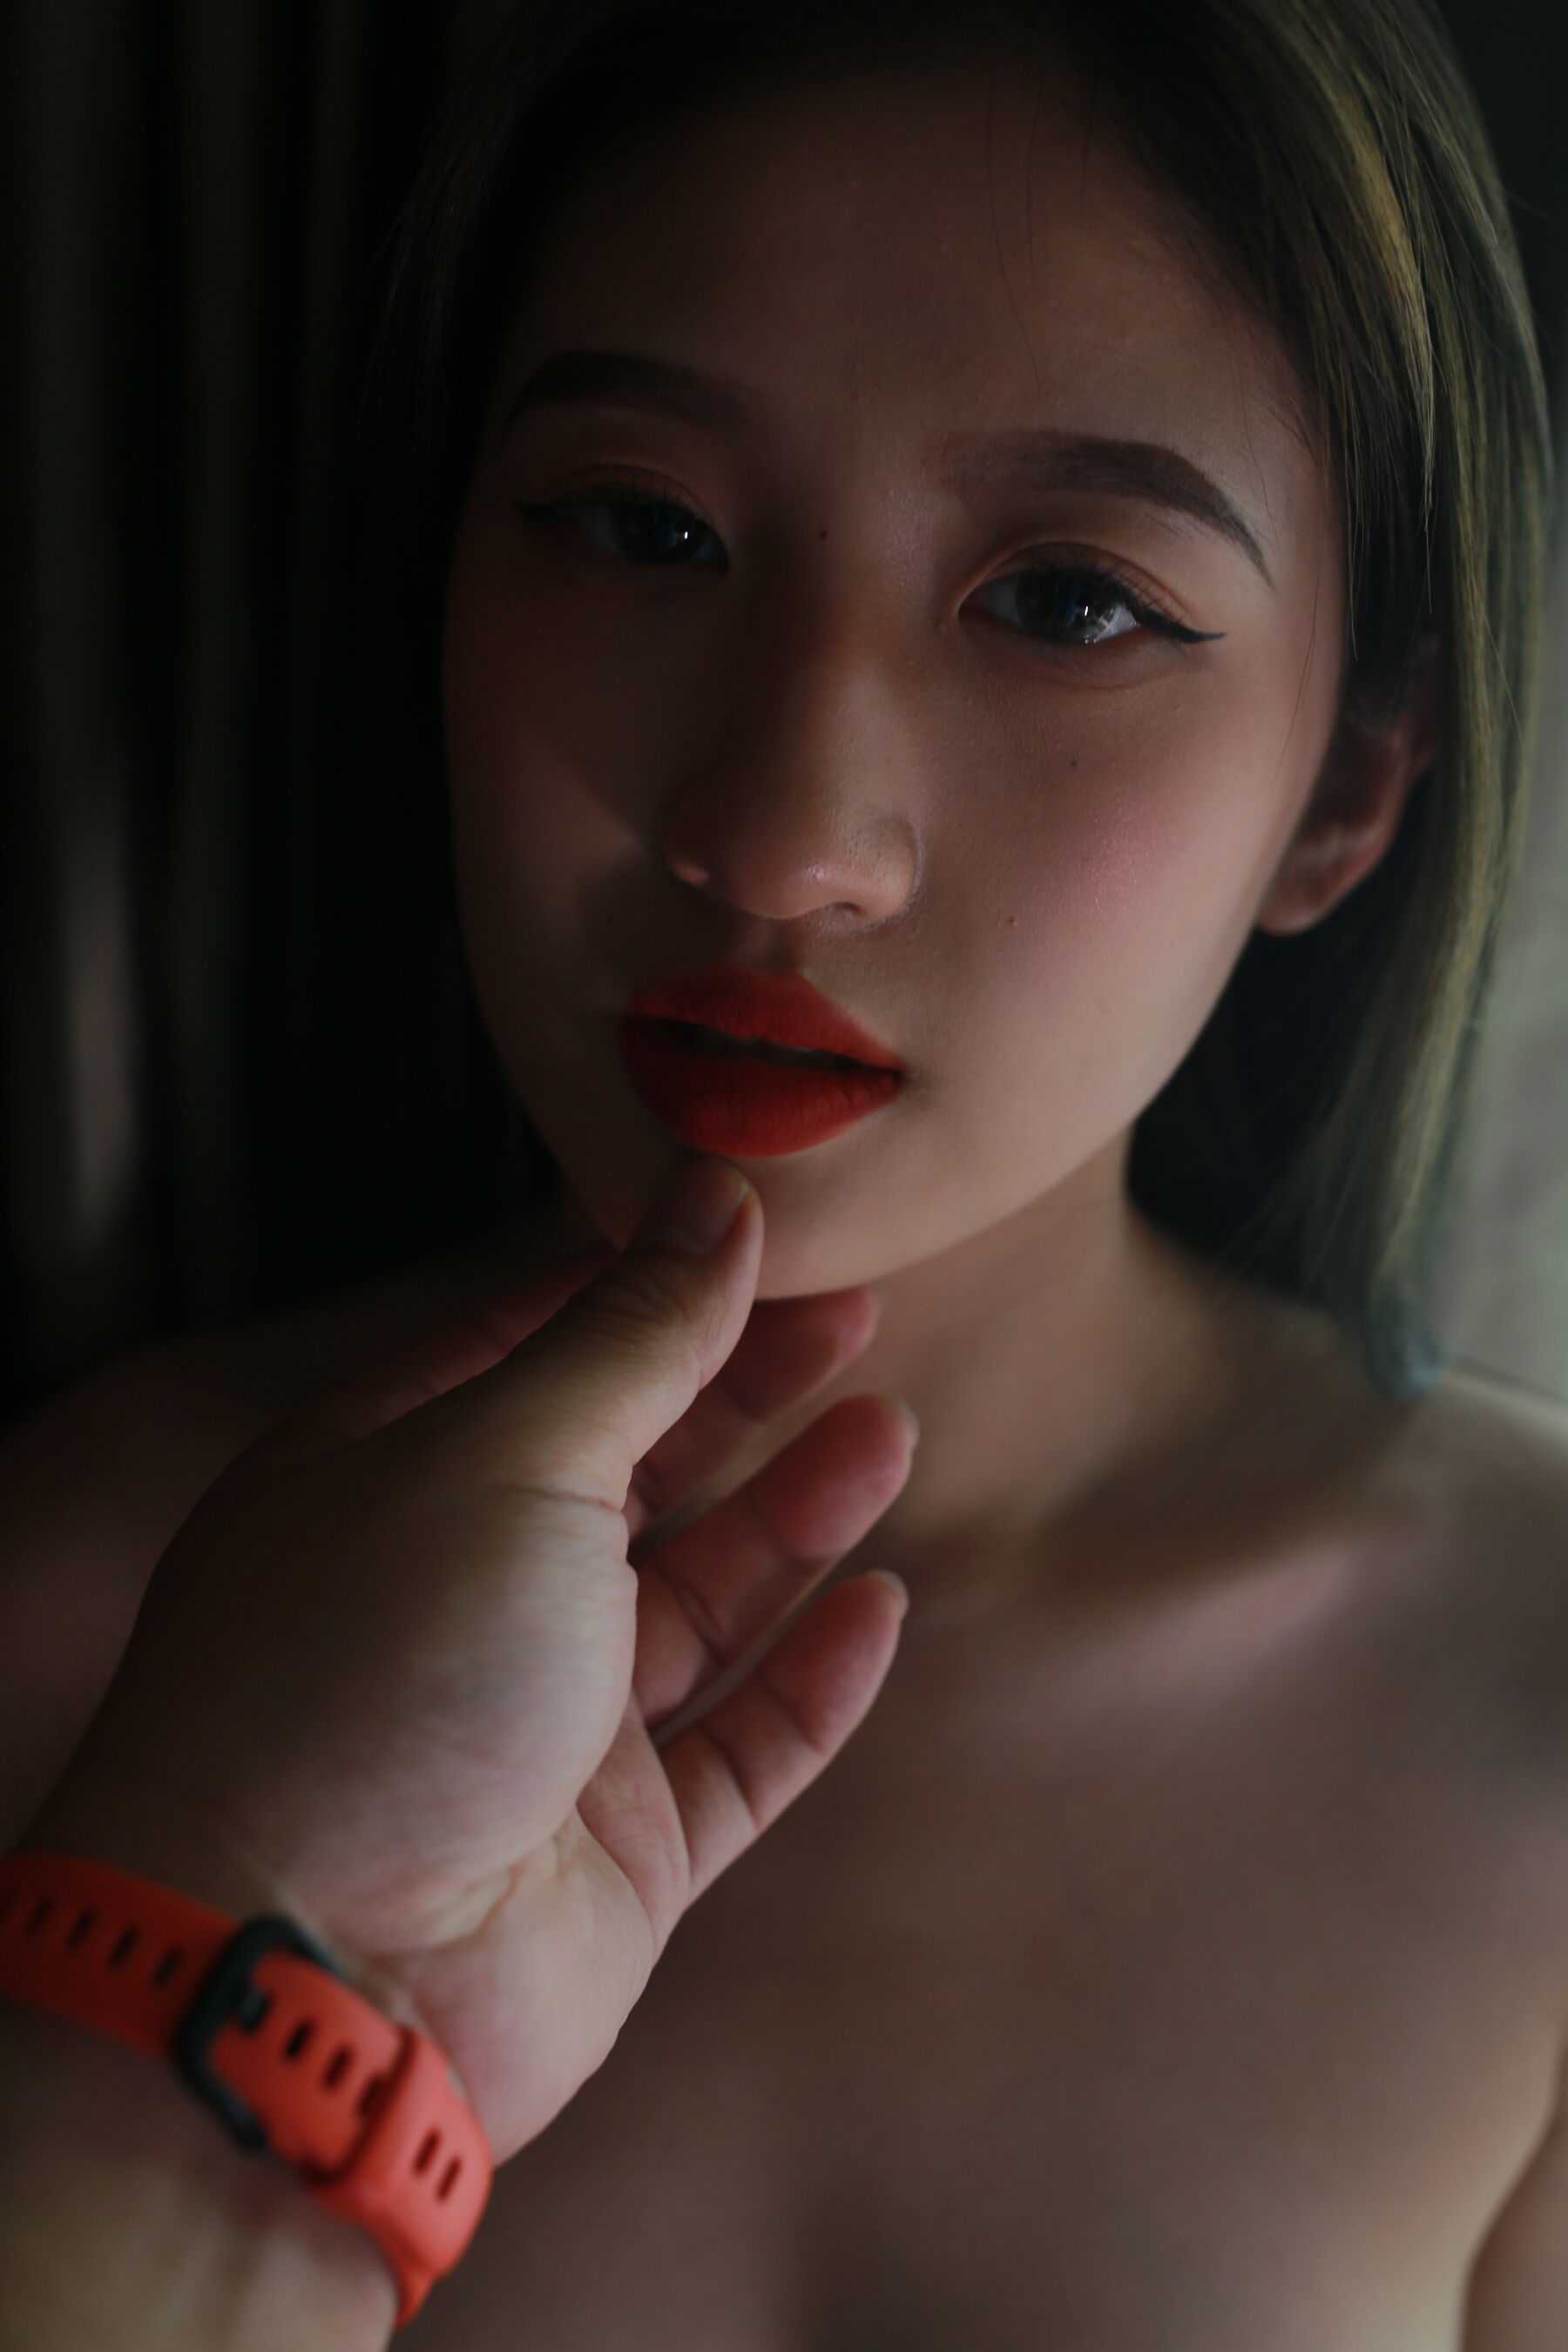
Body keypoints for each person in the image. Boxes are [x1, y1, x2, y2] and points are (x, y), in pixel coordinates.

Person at [1, 0, 1564, 2343]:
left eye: (1071, 600)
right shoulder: (80, 1627)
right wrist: (195, 1925)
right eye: (645, 527)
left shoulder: (1536, 1711)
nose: (780, 835)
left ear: (1348, 786)